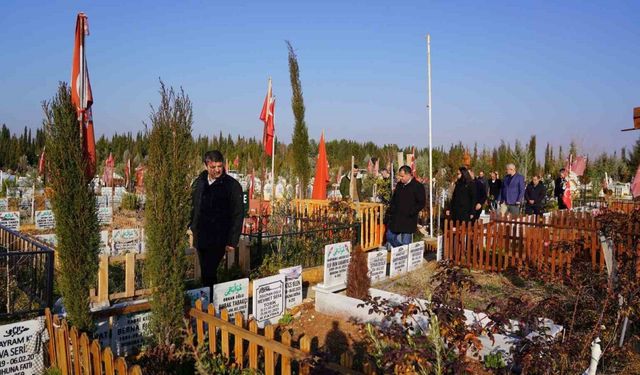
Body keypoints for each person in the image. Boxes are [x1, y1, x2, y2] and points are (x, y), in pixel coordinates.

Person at [189, 150, 244, 298]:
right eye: (213, 167)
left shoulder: (232, 186)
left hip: (219, 237)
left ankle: (210, 302)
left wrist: (232, 241)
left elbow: (238, 215)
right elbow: (193, 205)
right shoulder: (199, 182)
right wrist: (191, 225)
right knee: (206, 271)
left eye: (219, 166)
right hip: (201, 235)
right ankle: (209, 300)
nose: (217, 170)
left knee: (209, 270)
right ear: (206, 165)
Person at [384, 165, 426, 247]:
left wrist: (411, 212)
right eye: (399, 175)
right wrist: (391, 210)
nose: (400, 178)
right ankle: (400, 249)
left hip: (408, 220)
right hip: (396, 218)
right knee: (390, 236)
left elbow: (421, 203)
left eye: (402, 176)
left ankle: (405, 256)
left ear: (408, 174)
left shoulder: (417, 186)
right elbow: (394, 199)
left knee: (406, 243)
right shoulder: (399, 185)